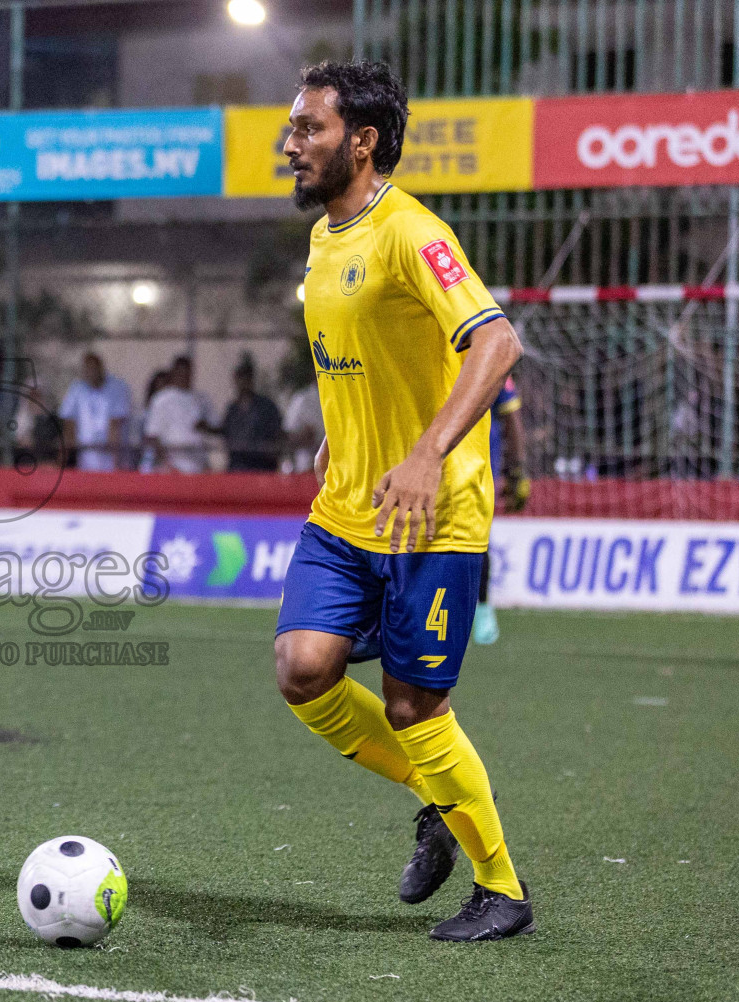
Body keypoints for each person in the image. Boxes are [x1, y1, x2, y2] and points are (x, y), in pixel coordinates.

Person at [274, 60, 533, 941]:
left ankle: (504, 892)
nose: (291, 142)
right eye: (293, 127)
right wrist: (336, 432)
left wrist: (425, 455)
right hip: (346, 506)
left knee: (415, 708)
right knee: (303, 670)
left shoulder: (411, 231)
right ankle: (438, 800)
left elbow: (496, 343)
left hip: (433, 512)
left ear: (363, 140)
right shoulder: (323, 240)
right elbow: (363, 360)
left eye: (308, 128)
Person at [472, 378, 530, 645]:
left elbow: (513, 419)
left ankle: (483, 609)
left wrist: (516, 470)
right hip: (433, 465)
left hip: (478, 472)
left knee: (474, 540)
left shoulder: (490, 360)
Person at [57, 352, 131, 472]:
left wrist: (116, 463)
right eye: (88, 369)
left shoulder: (117, 387)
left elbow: (115, 425)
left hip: (111, 457)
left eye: (94, 368)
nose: (91, 372)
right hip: (85, 457)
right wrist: (62, 462)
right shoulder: (77, 389)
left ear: (101, 368)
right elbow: (69, 425)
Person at [143, 356, 212, 474]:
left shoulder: (200, 399)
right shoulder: (162, 399)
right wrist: (167, 464)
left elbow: (215, 426)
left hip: (197, 466)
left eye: (187, 372)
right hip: (172, 468)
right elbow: (152, 436)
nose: (184, 376)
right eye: (181, 372)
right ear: (174, 373)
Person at [221, 357, 284, 472]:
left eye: (246, 378)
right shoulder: (232, 409)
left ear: (251, 380)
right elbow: (225, 432)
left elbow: (277, 432)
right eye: (240, 378)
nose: (243, 382)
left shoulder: (266, 406)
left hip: (262, 466)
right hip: (237, 467)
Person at [280, 343, 324, 473]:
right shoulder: (302, 399)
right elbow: (287, 434)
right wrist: (303, 436)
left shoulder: (340, 397)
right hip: (307, 466)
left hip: (337, 469)